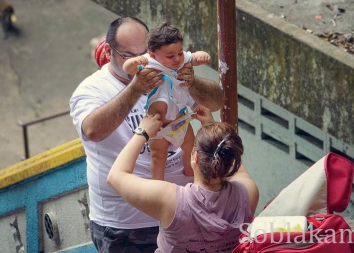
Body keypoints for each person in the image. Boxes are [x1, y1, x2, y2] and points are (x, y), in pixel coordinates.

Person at [69, 16, 224, 252]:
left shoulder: (169, 67)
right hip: (129, 223)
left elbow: (216, 101)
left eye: (146, 53)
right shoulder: (92, 89)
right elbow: (93, 131)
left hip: (182, 211)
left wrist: (193, 83)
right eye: (131, 57)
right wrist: (136, 88)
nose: (143, 63)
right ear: (111, 52)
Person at [107, 106, 260, 252]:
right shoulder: (248, 194)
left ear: (195, 158)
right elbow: (234, 164)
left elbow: (115, 176)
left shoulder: (172, 201)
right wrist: (211, 126)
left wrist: (142, 132)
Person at [123, 21, 212, 181]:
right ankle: (158, 185)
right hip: (159, 129)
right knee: (158, 158)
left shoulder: (182, 59)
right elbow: (128, 68)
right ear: (152, 54)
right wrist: (133, 63)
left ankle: (191, 176)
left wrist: (202, 56)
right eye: (170, 56)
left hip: (181, 123)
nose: (177, 58)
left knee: (191, 150)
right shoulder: (149, 62)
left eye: (179, 52)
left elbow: (194, 57)